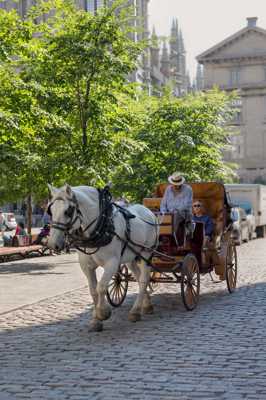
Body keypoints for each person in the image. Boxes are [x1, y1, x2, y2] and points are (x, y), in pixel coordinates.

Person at [160, 172, 193, 238]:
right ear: (172, 183)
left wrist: (174, 211)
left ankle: (171, 237)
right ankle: (158, 236)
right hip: (168, 213)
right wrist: (164, 213)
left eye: (179, 184)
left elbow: (187, 205)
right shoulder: (168, 189)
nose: (177, 186)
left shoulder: (188, 189)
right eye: (175, 184)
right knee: (159, 216)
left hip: (184, 213)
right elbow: (163, 203)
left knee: (175, 215)